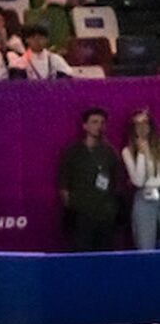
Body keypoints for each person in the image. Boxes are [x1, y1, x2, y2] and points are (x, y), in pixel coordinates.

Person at [57, 107, 119, 251]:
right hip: (81, 214)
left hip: (105, 214)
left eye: (102, 122)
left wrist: (112, 209)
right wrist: (71, 206)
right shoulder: (73, 152)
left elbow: (117, 182)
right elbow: (63, 183)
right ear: (85, 126)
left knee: (105, 255)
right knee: (82, 253)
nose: (99, 126)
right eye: (94, 122)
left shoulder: (110, 152)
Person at [122, 109, 160, 250]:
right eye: (137, 124)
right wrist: (142, 154)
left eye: (145, 123)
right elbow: (138, 181)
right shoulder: (127, 151)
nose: (142, 127)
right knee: (145, 245)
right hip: (144, 198)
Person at [9, 23, 75, 80]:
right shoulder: (20, 62)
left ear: (46, 40)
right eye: (33, 38)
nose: (37, 41)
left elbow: (68, 77)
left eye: (41, 38)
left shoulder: (55, 59)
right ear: (27, 40)